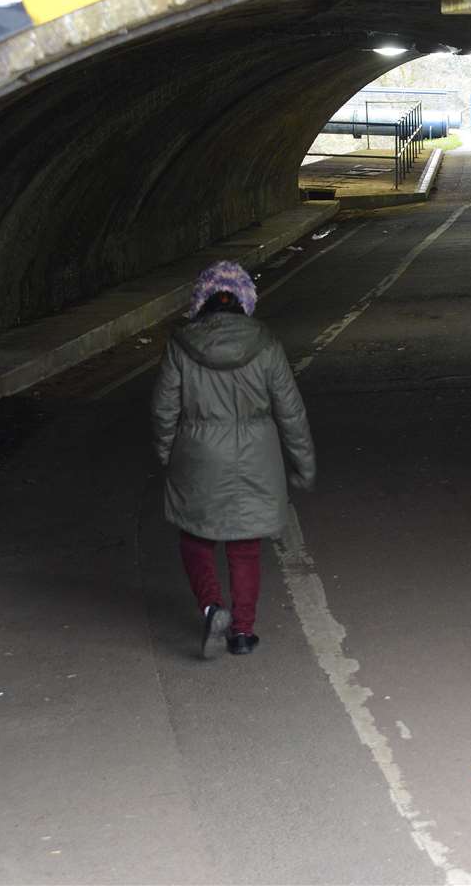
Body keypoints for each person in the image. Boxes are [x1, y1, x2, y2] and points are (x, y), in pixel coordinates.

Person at [152, 260, 315, 659]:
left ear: (201, 301)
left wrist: (167, 456)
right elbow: (291, 411)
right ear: (244, 300)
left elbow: (163, 411)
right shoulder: (266, 343)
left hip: (198, 457)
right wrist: (303, 466)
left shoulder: (181, 346)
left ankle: (211, 607)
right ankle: (242, 633)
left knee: (195, 536)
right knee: (244, 547)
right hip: (256, 459)